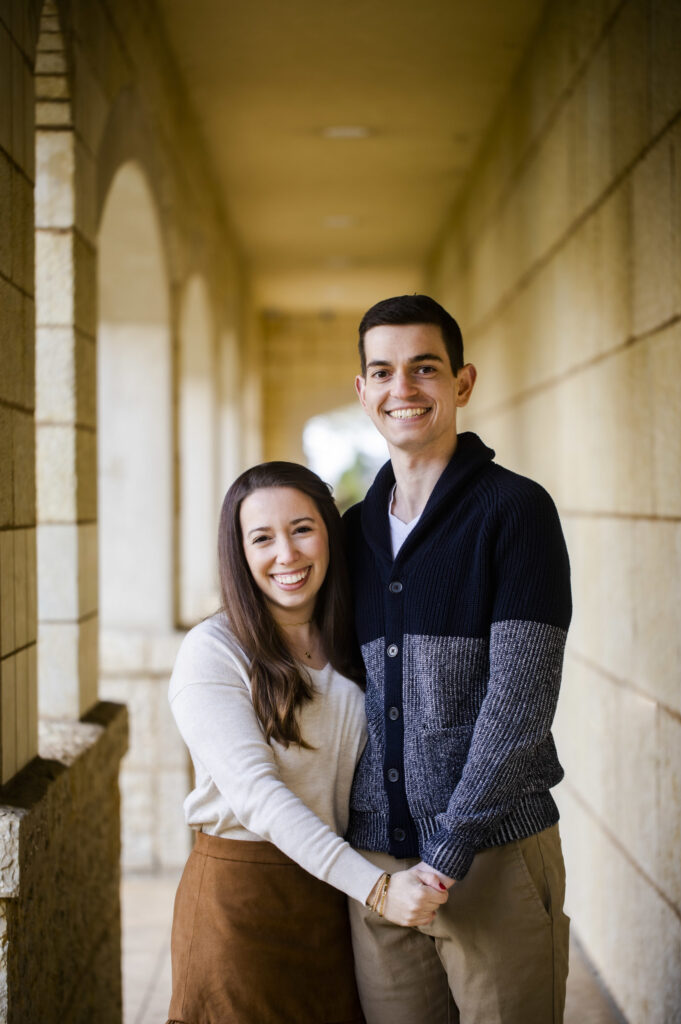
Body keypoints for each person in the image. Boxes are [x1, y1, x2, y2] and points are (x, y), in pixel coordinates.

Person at [343, 295, 572, 1024]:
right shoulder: (351, 534)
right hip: (380, 870)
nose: (401, 389)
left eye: (424, 368)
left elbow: (520, 702)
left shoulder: (515, 510)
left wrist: (447, 852)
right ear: (361, 390)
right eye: (381, 371)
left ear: (462, 383)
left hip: (493, 856)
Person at [166, 461, 447, 1024]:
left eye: (301, 528)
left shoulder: (352, 637)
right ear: (239, 554)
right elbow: (257, 798)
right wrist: (377, 890)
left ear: (329, 532)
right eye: (262, 538)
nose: (287, 555)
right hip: (243, 899)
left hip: (331, 891)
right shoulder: (212, 651)